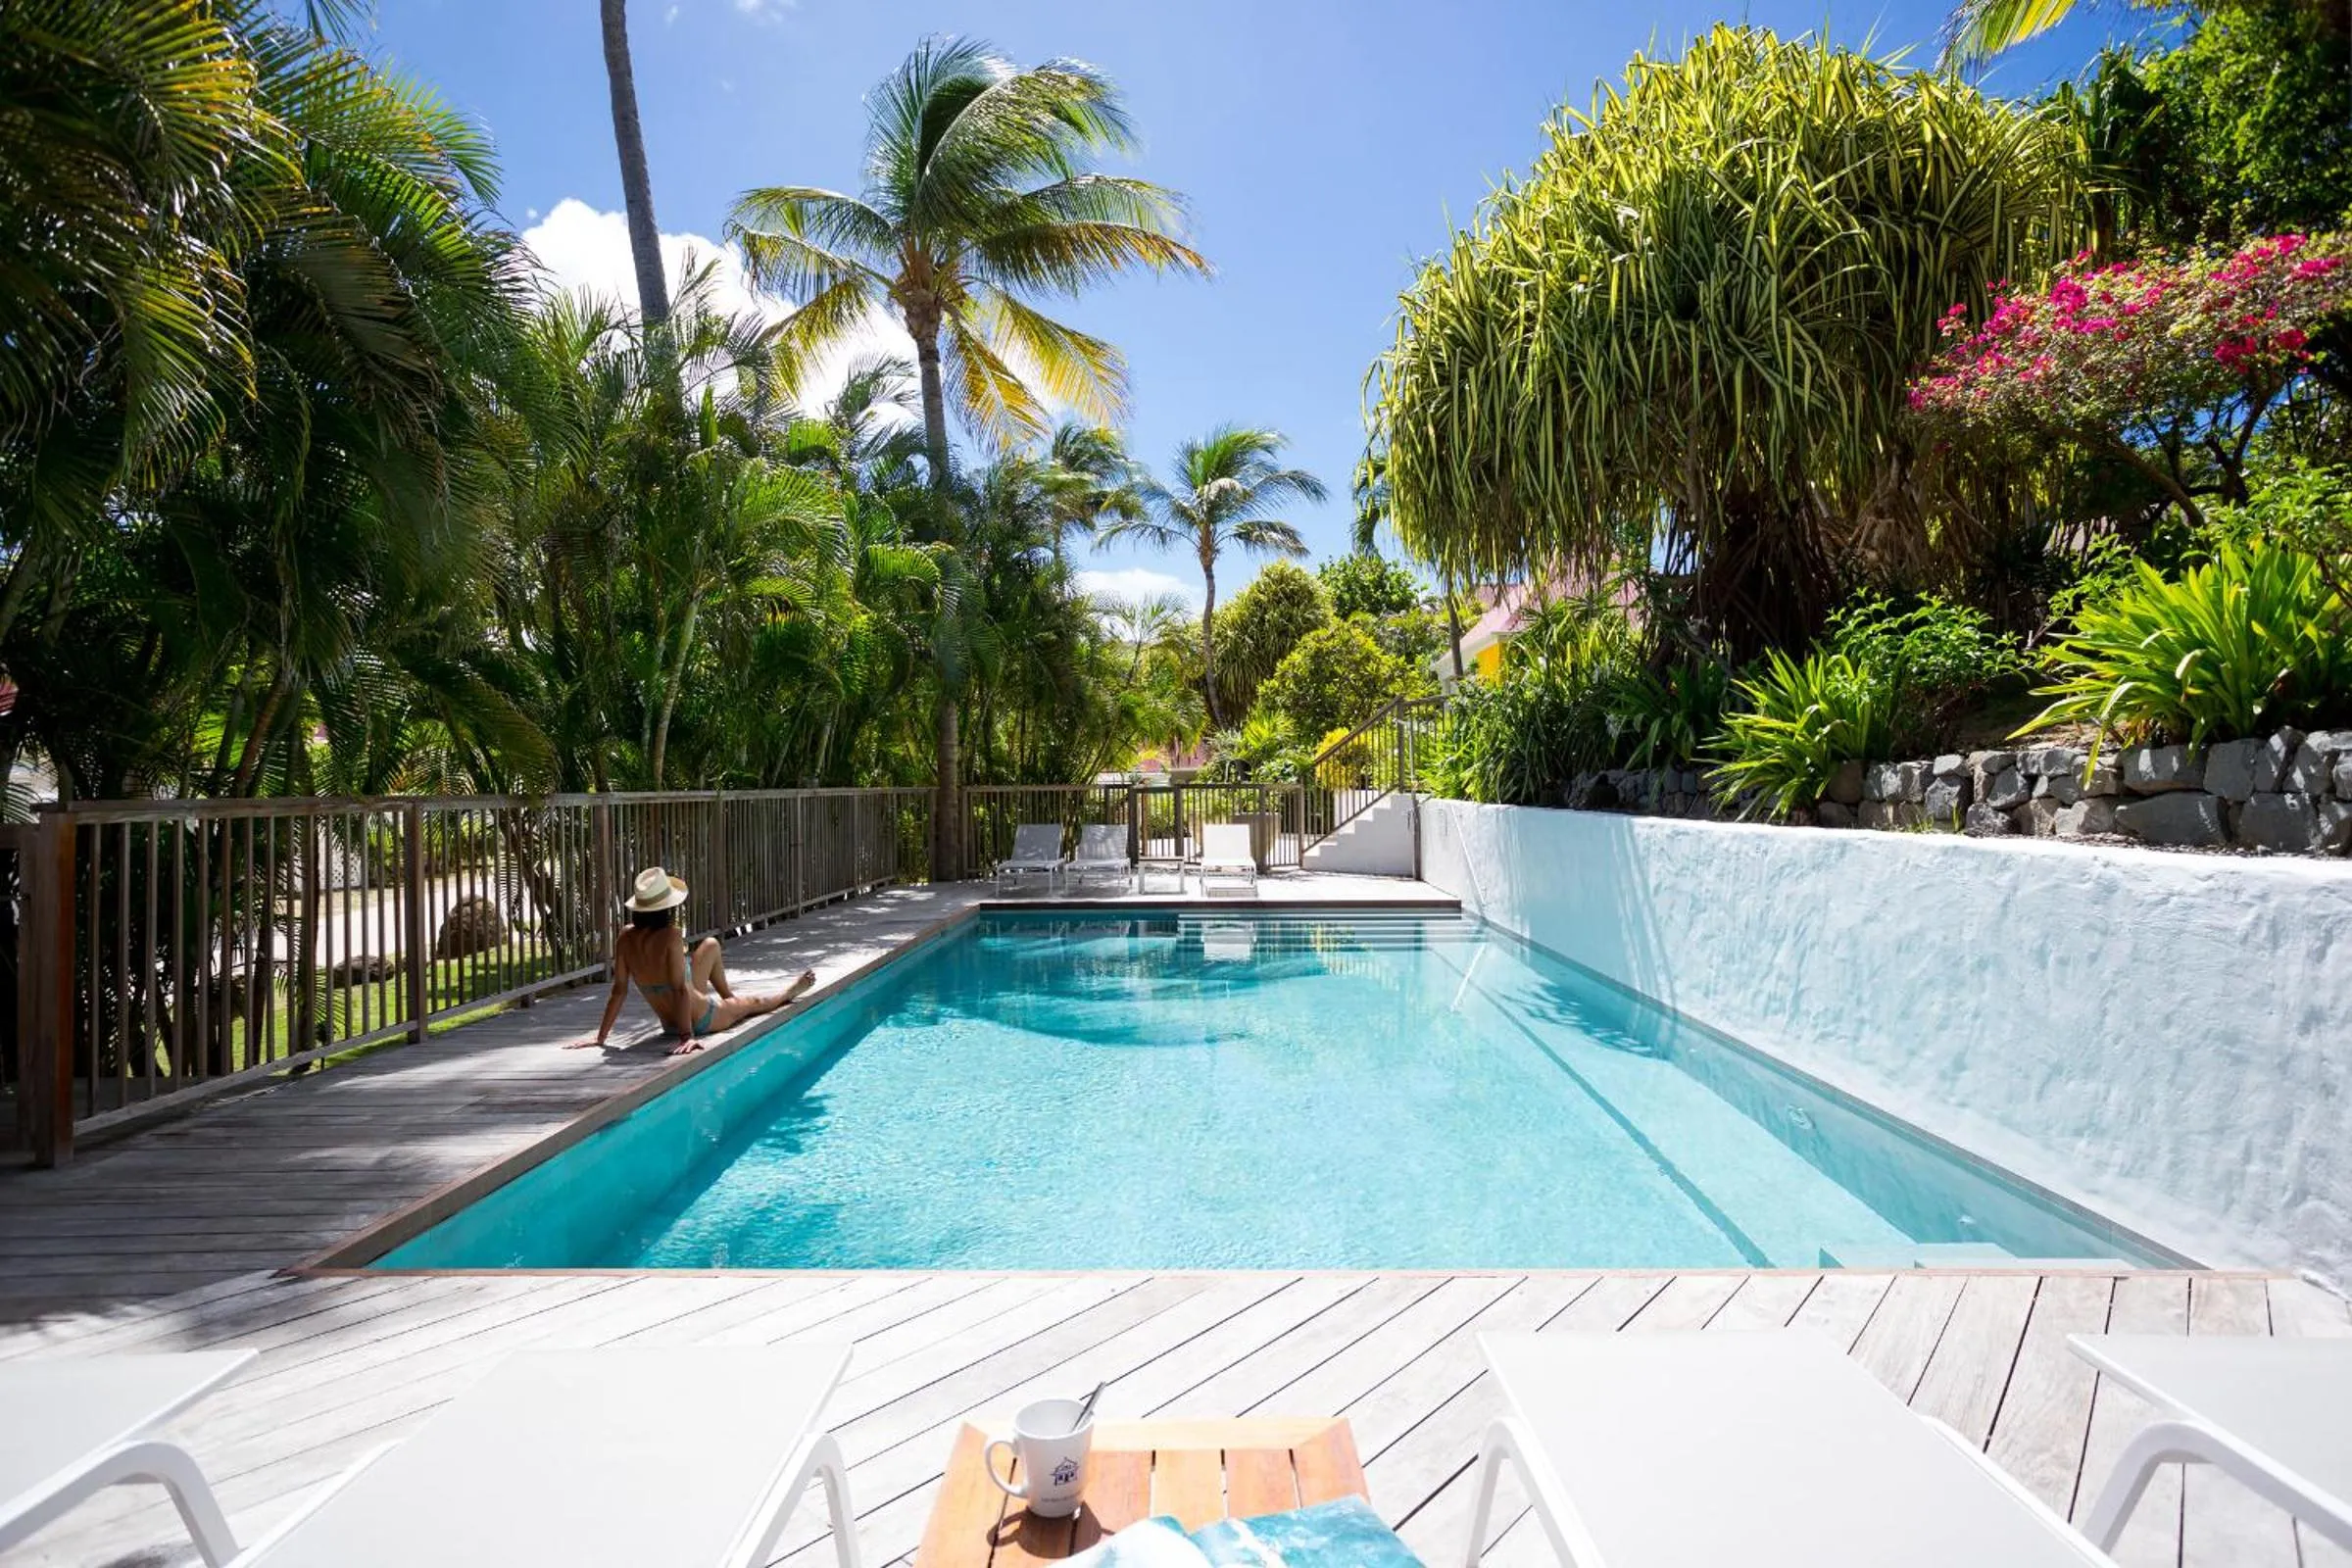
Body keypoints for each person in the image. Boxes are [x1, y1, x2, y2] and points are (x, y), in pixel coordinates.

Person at [572, 865, 815, 1056]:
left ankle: (729, 997)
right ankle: (788, 992)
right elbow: (678, 990)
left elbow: (619, 990)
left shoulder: (625, 936)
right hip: (701, 1018)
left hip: (671, 1021)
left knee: (710, 944)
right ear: (667, 907)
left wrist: (601, 1037)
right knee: (752, 1003)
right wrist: (687, 1036)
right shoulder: (671, 936)